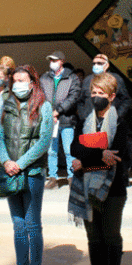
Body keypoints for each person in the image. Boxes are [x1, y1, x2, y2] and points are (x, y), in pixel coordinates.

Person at [69, 72, 129, 265]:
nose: (96, 97)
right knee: (94, 238)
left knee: (110, 236)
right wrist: (99, 153)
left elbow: (117, 155)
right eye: (93, 93)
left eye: (101, 93)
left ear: (112, 96)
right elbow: (75, 148)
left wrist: (85, 160)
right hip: (87, 188)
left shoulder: (120, 122)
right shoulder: (84, 121)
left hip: (113, 189)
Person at [0, 65, 53, 265]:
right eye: (15, 80)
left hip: (32, 173)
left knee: (32, 225)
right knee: (18, 226)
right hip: (10, 173)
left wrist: (20, 163)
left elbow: (44, 141)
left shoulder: (43, 106)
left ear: (32, 83)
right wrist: (6, 161)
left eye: (23, 80)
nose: (18, 84)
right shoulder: (6, 105)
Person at [40, 51, 81, 189]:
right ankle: (53, 178)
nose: (52, 62)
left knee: (69, 150)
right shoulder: (44, 78)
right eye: (50, 60)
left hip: (67, 119)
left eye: (55, 60)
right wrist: (48, 113)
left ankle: (72, 177)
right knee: (51, 151)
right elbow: (40, 96)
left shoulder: (72, 78)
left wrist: (58, 111)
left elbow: (73, 97)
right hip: (50, 120)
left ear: (62, 61)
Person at [78, 54, 132, 120]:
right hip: (89, 121)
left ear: (106, 65)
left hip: (109, 121)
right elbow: (80, 101)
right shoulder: (87, 80)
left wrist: (117, 116)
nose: (96, 65)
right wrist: (83, 116)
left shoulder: (116, 79)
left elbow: (126, 100)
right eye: (94, 63)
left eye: (99, 63)